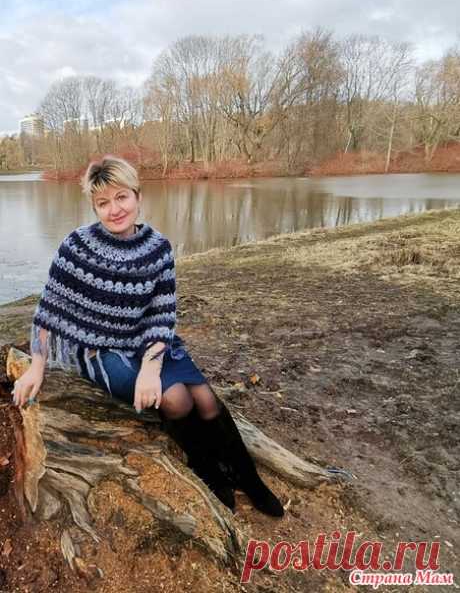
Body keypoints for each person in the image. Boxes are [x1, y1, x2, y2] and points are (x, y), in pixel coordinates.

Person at [12, 155, 284, 517]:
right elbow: (48, 311)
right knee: (177, 400)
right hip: (98, 351)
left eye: (121, 197)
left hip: (148, 340)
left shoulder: (158, 248)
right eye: (103, 203)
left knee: (206, 400)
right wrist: (38, 365)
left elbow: (161, 313)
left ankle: (248, 479)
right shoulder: (76, 247)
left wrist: (151, 366)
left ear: (137, 196)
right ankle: (205, 468)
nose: (114, 210)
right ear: (94, 207)